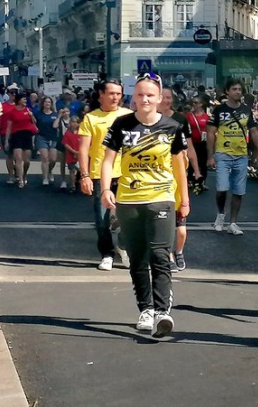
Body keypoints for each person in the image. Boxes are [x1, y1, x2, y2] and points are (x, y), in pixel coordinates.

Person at [100, 73, 189, 339]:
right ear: (133, 98)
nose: (145, 99)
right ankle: (146, 309)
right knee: (137, 257)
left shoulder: (172, 127)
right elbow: (107, 161)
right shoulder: (122, 125)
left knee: (160, 255)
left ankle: (163, 311)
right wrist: (106, 189)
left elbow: (179, 167)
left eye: (150, 95)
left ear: (159, 99)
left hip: (161, 197)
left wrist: (183, 199)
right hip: (129, 199)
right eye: (140, 95)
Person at [79, 80, 132, 271]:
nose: (115, 97)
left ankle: (124, 248)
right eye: (111, 93)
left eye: (118, 93)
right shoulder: (91, 118)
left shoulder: (128, 115)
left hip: (127, 173)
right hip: (100, 175)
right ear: (101, 94)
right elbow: (83, 149)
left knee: (129, 216)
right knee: (102, 219)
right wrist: (84, 175)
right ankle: (107, 254)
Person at [208, 79, 258, 235]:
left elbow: (253, 131)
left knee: (239, 191)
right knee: (222, 188)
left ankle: (233, 223)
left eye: (240, 89)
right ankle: (220, 215)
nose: (238, 92)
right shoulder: (219, 110)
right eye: (234, 89)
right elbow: (211, 132)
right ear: (227, 92)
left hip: (241, 155)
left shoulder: (246, 110)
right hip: (222, 153)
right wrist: (210, 155)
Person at [160, 87, 201, 272]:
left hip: (179, 175)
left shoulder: (180, 119)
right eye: (163, 97)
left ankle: (179, 252)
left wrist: (197, 170)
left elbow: (189, 147)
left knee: (181, 229)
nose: (166, 101)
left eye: (169, 98)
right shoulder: (149, 120)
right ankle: (168, 257)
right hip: (160, 176)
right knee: (165, 224)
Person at [5, 94, 37, 188]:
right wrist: (7, 140)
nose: (25, 101)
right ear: (19, 101)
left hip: (27, 135)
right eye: (24, 100)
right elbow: (9, 127)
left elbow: (34, 122)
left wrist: (31, 116)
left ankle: (24, 174)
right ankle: (21, 180)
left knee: (26, 160)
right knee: (18, 158)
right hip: (16, 135)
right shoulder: (12, 112)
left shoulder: (28, 110)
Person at [187, 94, 210, 193]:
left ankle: (202, 181)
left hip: (202, 142)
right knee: (191, 162)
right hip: (192, 142)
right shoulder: (189, 116)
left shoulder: (207, 117)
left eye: (196, 103)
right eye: (193, 102)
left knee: (203, 162)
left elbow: (209, 129)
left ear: (201, 104)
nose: (194, 104)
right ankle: (190, 180)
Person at [35, 97, 59, 186]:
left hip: (53, 138)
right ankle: (45, 177)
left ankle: (49, 171)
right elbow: (34, 125)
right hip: (42, 137)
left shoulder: (55, 114)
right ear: (43, 103)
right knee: (45, 158)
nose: (47, 103)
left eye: (49, 102)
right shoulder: (38, 114)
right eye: (46, 102)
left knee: (53, 159)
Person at [0, 87, 17, 184]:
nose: (14, 95)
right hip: (5, 132)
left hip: (17, 133)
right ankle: (11, 175)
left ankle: (17, 170)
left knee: (17, 155)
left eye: (15, 93)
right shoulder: (3, 106)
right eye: (12, 93)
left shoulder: (20, 106)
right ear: (8, 94)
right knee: (9, 154)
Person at [54, 106, 72, 189]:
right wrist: (59, 116)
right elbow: (54, 126)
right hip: (61, 143)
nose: (65, 113)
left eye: (67, 111)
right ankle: (63, 180)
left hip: (71, 143)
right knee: (62, 163)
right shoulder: (60, 120)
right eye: (63, 112)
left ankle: (73, 180)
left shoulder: (73, 121)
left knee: (72, 164)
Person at [62, 116, 81, 193]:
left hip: (80, 155)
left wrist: (80, 152)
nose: (75, 124)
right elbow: (66, 144)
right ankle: (72, 185)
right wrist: (74, 152)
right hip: (71, 154)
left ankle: (78, 180)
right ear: (70, 123)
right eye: (73, 122)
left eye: (76, 122)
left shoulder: (81, 132)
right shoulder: (67, 133)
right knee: (72, 170)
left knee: (81, 170)